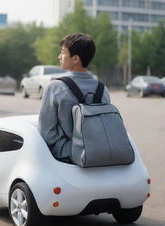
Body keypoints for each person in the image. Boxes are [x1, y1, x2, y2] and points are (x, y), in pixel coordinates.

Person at [38, 33, 111, 163]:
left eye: (63, 53)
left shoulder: (55, 87)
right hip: (100, 155)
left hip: (67, 158)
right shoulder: (102, 89)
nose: (59, 56)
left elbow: (46, 134)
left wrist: (71, 151)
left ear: (75, 59)